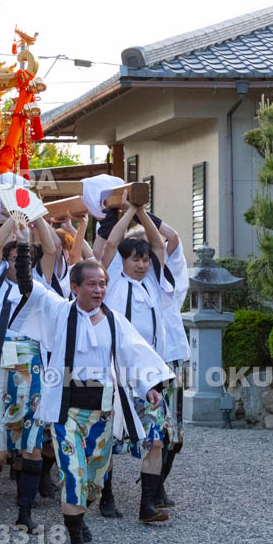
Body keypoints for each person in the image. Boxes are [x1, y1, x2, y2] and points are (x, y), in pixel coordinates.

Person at [10, 258, 173, 544]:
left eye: (102, 284)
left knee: (94, 482)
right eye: (92, 284)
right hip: (67, 412)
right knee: (72, 475)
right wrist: (22, 247)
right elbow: (29, 286)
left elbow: (135, 355)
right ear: (75, 287)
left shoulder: (114, 321)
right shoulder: (60, 312)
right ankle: (75, 543)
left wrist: (149, 386)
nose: (99, 290)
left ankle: (80, 514)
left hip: (103, 413)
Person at [0, 212, 57, 532]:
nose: (20, 263)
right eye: (14, 257)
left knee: (31, 444)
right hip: (0, 371)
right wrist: (14, 220)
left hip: (32, 371)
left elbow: (51, 250)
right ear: (6, 260)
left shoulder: (40, 287)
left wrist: (37, 217)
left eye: (25, 258)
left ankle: (25, 512)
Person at [101, 197, 176, 524]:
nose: (142, 264)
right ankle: (106, 495)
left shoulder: (154, 286)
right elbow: (112, 243)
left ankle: (147, 504)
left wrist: (143, 211)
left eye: (145, 260)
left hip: (147, 376)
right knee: (108, 439)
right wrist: (129, 210)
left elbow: (160, 245)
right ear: (123, 262)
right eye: (135, 259)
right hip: (114, 374)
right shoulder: (111, 282)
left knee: (157, 438)